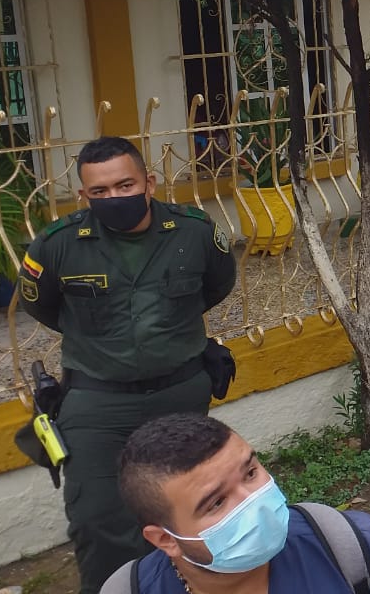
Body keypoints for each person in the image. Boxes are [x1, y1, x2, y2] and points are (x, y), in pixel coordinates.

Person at [15, 136, 238, 594]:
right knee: (98, 521)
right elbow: (45, 308)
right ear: (84, 195)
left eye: (124, 185)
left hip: (179, 395)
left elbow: (216, 286)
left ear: (148, 182)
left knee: (190, 511)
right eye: (99, 192)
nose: (113, 198)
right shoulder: (58, 245)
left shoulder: (194, 232)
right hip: (97, 403)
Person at [101, 413, 370, 594]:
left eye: (250, 473)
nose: (254, 503)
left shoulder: (349, 547)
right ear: (165, 539)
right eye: (216, 503)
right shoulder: (127, 590)